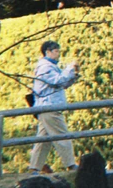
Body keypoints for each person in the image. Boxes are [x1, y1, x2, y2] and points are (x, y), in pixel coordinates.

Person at [28, 40, 80, 174]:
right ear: (47, 52)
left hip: (47, 107)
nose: (58, 54)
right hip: (49, 106)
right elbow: (57, 80)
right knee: (62, 136)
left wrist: (73, 75)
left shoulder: (49, 66)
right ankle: (71, 165)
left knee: (43, 140)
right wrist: (69, 68)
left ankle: (34, 168)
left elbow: (62, 83)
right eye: (55, 51)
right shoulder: (45, 67)